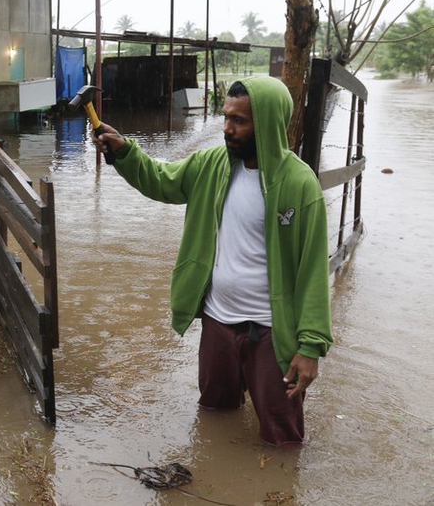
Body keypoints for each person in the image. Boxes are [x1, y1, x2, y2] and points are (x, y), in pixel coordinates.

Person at [92, 76, 332, 446]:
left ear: (266, 124)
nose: (227, 129)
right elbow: (162, 180)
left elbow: (313, 270)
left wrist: (311, 346)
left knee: (281, 436)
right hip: (219, 321)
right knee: (214, 415)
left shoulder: (299, 184)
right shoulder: (213, 165)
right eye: (226, 117)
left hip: (272, 332)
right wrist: (124, 151)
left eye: (239, 121)